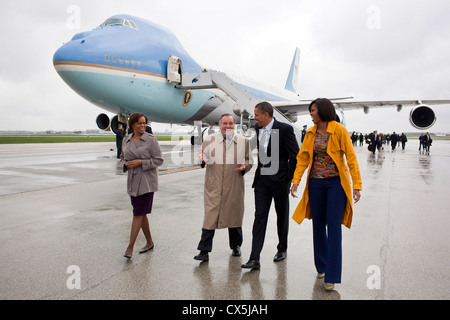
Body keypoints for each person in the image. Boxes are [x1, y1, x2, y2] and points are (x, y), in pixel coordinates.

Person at [290, 98, 362, 291]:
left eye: (313, 110)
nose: (311, 114)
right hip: (315, 184)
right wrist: (296, 181)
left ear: (322, 111)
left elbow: (351, 158)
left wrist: (357, 185)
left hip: (335, 184)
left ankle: (332, 275)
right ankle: (321, 266)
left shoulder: (339, 130)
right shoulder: (310, 133)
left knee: (334, 227)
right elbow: (303, 159)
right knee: (318, 225)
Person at [241, 102, 299, 270]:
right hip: (262, 182)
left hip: (280, 182)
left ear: (266, 115)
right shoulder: (259, 129)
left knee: (282, 216)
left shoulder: (285, 129)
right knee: (259, 217)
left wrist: (287, 177)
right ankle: (254, 258)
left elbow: (295, 156)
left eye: (256, 115)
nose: (254, 118)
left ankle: (282, 249)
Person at [194, 114, 253, 262]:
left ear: (235, 125)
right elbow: (202, 156)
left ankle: (236, 246)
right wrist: (202, 159)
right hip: (214, 185)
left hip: (233, 185)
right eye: (225, 123)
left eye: (231, 123)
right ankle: (204, 251)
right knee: (210, 217)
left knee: (234, 216)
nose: (228, 126)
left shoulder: (243, 141)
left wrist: (245, 166)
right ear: (220, 124)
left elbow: (249, 160)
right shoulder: (209, 140)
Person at [121, 113, 164, 259]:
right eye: (139, 123)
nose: (142, 126)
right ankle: (150, 242)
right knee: (141, 213)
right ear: (132, 124)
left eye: (144, 123)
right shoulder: (125, 140)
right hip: (133, 181)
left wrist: (141, 162)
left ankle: (130, 247)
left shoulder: (151, 140)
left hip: (146, 182)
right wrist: (126, 165)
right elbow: (123, 157)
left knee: (138, 213)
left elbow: (159, 160)